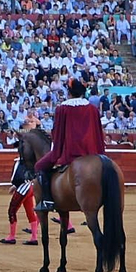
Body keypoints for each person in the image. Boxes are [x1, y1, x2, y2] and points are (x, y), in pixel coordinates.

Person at [34, 79, 106, 215]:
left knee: (39, 166)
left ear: (70, 93)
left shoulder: (63, 108)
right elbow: (98, 132)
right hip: (92, 153)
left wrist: (55, 151)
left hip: (69, 152)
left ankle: (47, 200)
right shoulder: (92, 109)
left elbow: (57, 133)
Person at [2, 150, 40, 245]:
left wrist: (15, 185)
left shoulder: (23, 162)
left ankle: (12, 237)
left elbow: (20, 177)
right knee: (30, 211)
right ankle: (34, 238)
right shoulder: (29, 162)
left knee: (12, 210)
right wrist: (15, 186)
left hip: (24, 188)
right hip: (29, 187)